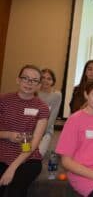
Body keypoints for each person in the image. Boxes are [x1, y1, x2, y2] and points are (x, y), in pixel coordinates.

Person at [0, 65, 49, 197]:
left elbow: (34, 144)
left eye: (34, 80)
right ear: (18, 80)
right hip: (2, 153)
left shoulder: (42, 107)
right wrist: (7, 135)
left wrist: (12, 168)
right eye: (25, 78)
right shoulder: (3, 100)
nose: (29, 83)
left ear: (39, 85)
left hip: (28, 156)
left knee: (15, 191)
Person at [38, 68, 62, 157]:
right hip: (29, 130)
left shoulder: (57, 95)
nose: (45, 80)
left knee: (39, 155)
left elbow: (52, 117)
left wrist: (40, 133)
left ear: (53, 81)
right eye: (43, 77)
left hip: (46, 131)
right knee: (24, 152)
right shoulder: (33, 93)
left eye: (49, 78)